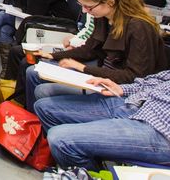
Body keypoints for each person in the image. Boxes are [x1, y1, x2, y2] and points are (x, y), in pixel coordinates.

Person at [25, 0, 167, 112]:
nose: (84, 11)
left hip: (122, 87)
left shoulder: (138, 27)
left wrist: (83, 68)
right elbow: (90, 48)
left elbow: (135, 76)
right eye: (82, 5)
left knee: (43, 91)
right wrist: (53, 55)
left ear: (110, 3)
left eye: (89, 7)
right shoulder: (103, 16)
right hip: (105, 75)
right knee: (34, 71)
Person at [34, 71, 170, 169]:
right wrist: (121, 89)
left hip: (159, 128)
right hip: (133, 103)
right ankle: (73, 165)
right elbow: (155, 81)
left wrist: (82, 67)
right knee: (44, 108)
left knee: (60, 139)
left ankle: (85, 168)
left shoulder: (138, 32)